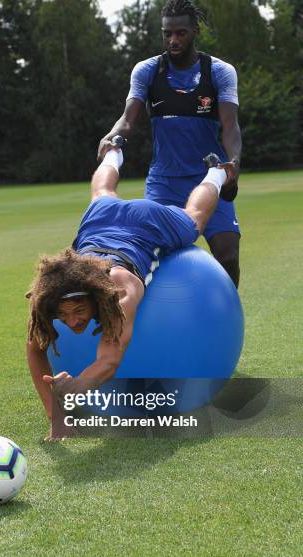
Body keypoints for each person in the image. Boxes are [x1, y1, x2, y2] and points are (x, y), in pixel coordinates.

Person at [26, 142, 232, 439]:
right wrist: (56, 416)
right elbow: (34, 348)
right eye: (64, 314)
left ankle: (216, 172)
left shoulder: (122, 292)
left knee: (194, 218)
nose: (72, 323)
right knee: (101, 195)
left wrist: (72, 391)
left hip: (148, 224)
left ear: (95, 296)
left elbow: (109, 361)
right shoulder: (49, 295)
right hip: (101, 222)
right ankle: (114, 151)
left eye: (80, 311)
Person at [98, 0, 242, 287]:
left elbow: (230, 126)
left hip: (209, 178)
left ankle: (226, 322)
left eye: (181, 33)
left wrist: (233, 163)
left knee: (228, 256)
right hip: (163, 183)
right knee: (151, 259)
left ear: (194, 31)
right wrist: (112, 137)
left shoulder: (220, 71)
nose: (173, 40)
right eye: (167, 34)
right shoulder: (147, 71)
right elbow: (128, 119)